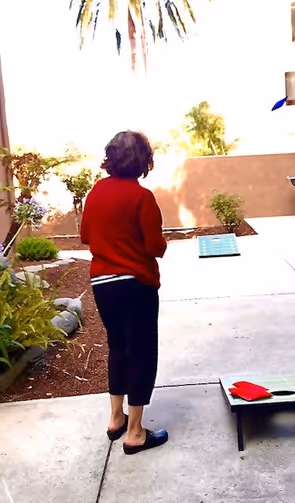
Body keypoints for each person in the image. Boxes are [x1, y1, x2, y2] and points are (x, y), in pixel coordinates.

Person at [81, 131, 169, 454]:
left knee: (118, 347)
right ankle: (135, 434)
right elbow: (153, 246)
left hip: (103, 285)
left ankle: (115, 419)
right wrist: (163, 243)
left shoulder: (96, 192)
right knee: (142, 351)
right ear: (143, 160)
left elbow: (85, 236)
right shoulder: (141, 197)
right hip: (136, 284)